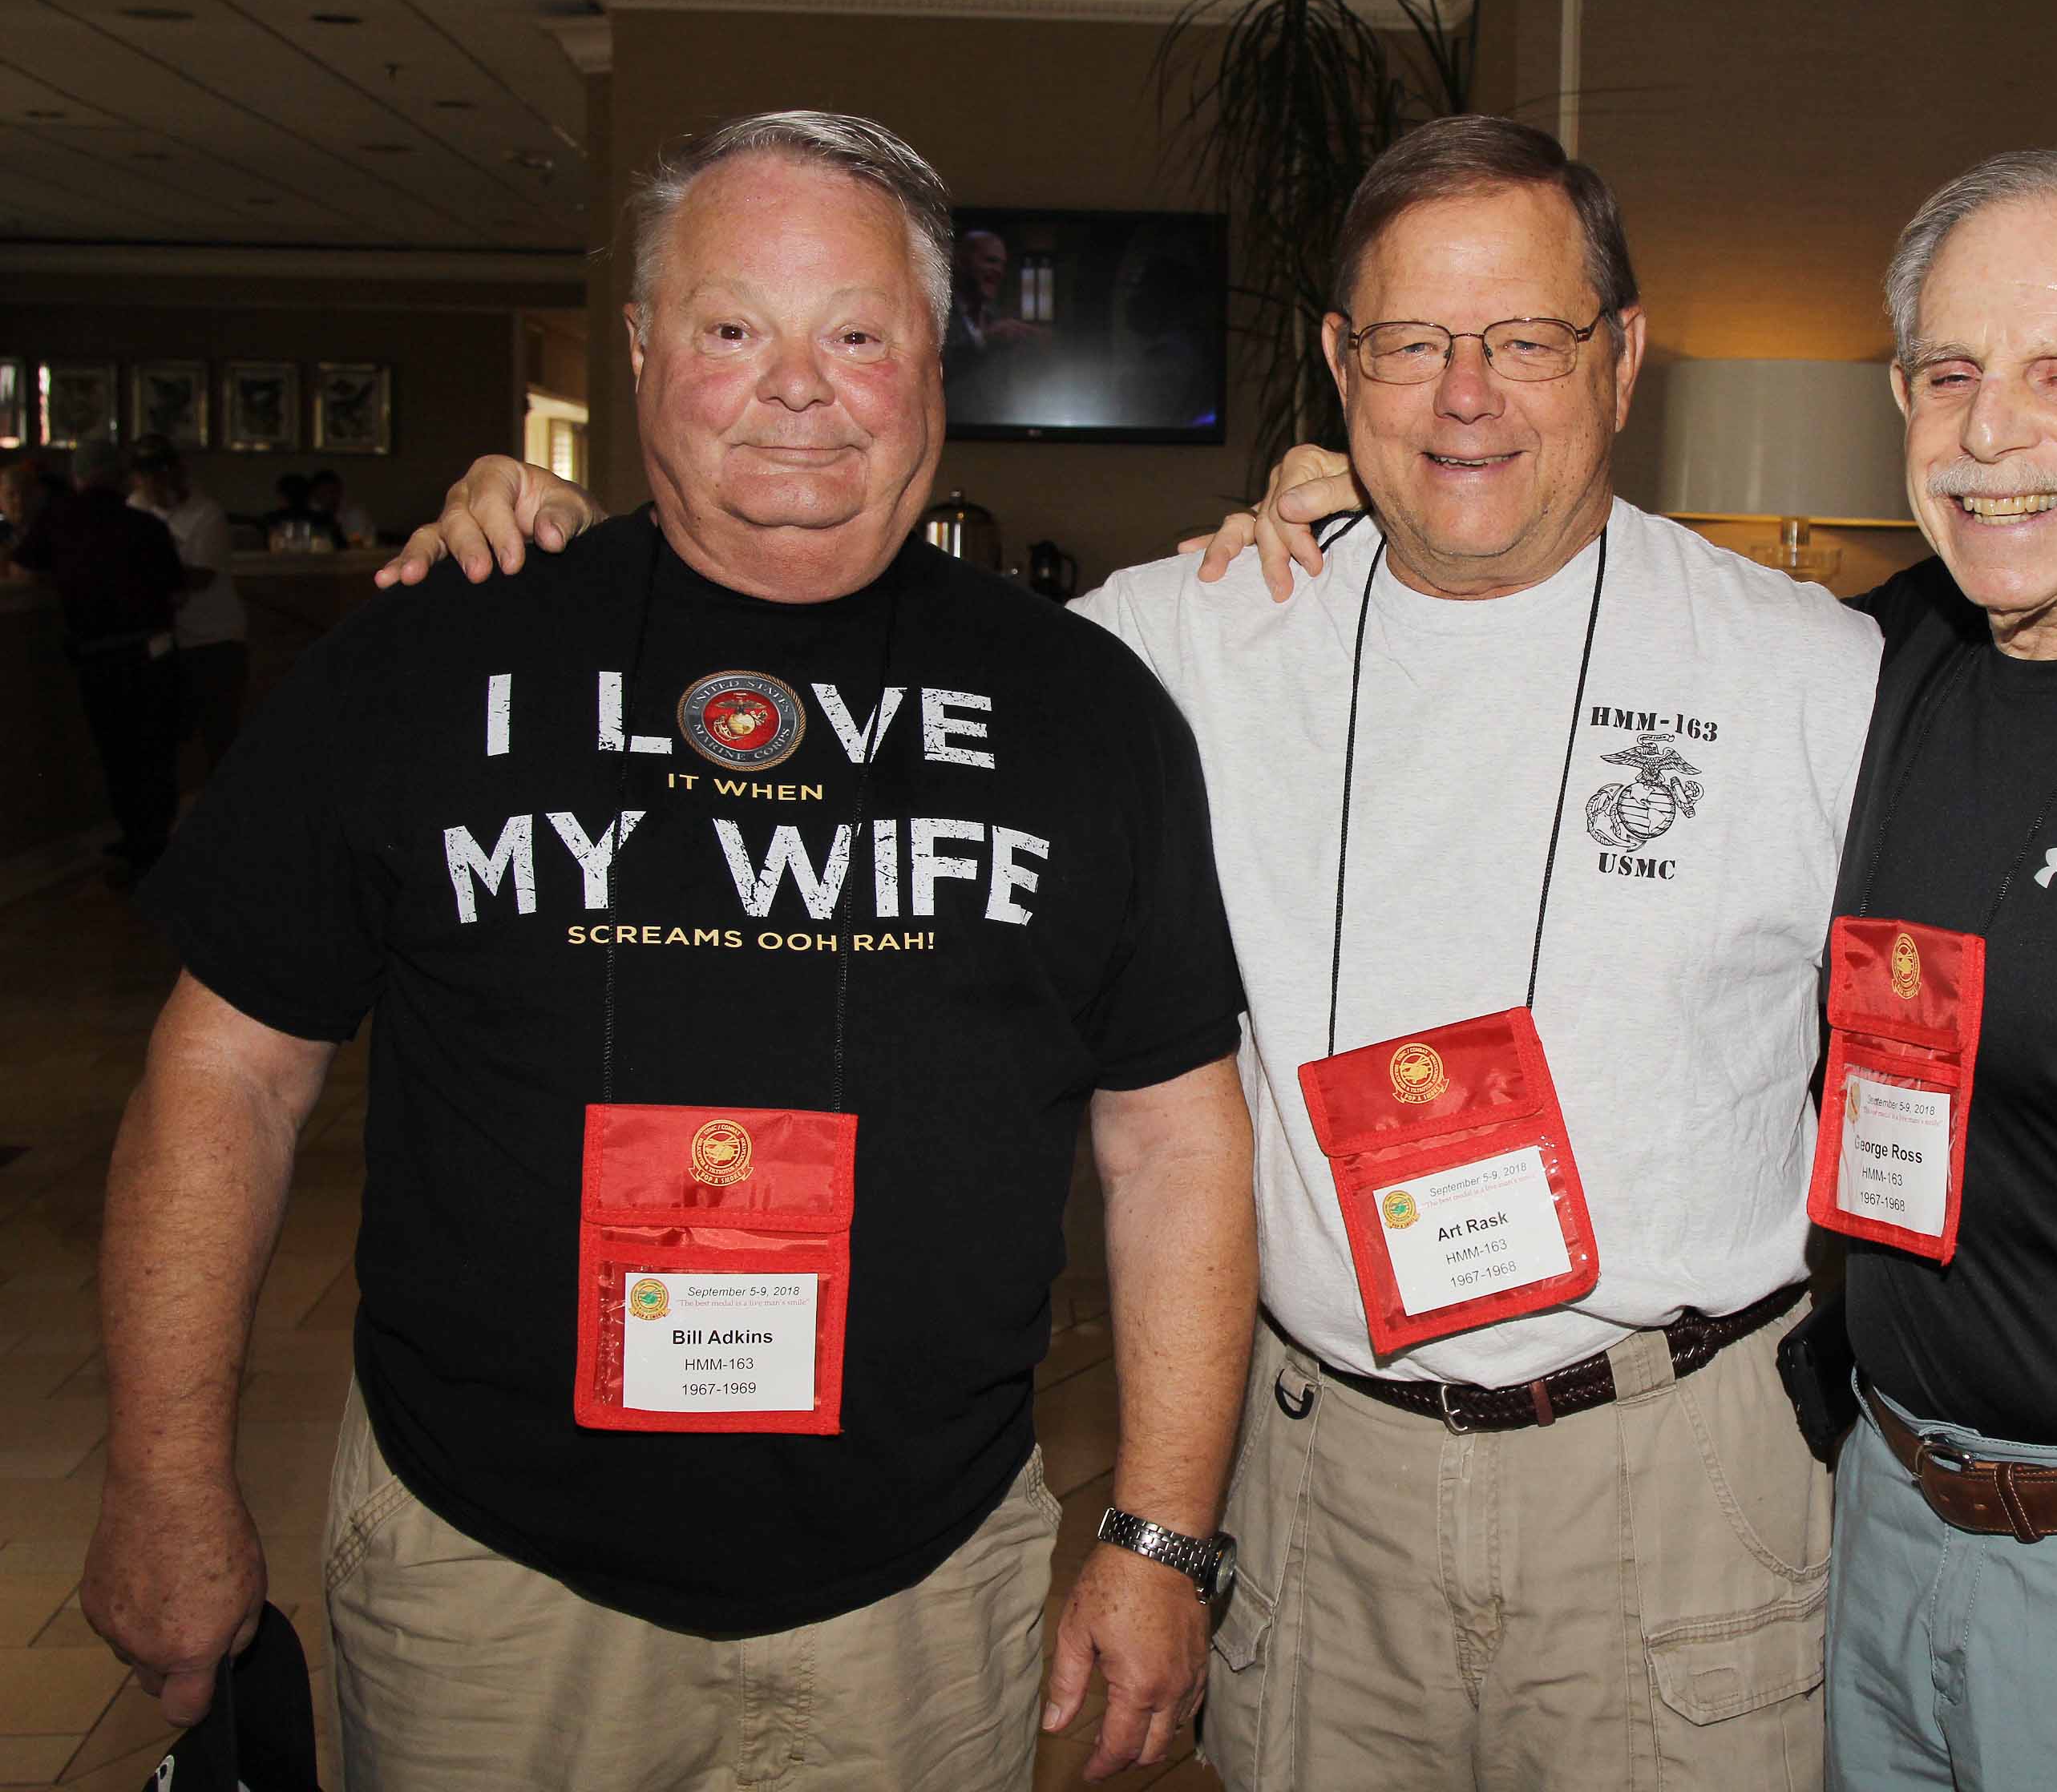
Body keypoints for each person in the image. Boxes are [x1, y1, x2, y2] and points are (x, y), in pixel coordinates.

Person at [390, 112, 1881, 1789]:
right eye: (1411, 343)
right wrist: (559, 543)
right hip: (1322, 1480)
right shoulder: (1178, 639)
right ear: (1340, 364)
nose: (1466, 395)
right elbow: (818, 624)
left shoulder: (1818, 675)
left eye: (1528, 339)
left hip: (1677, 1477)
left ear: (1623, 356)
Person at [1198, 151, 2057, 1791]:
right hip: (1886, 1531)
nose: (1989, 432)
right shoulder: (1883, 662)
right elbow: (1572, 632)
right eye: (1949, 373)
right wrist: (1363, 499)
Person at [79, 110, 1255, 1792]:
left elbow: (1175, 1141)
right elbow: (228, 1078)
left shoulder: (1086, 710)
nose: (799, 388)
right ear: (641, 347)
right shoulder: (434, 654)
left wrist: (1161, 1535)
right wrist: (164, 1479)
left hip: (923, 1594)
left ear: (937, 361)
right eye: (732, 329)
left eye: (858, 334)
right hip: (493, 1582)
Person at [15, 437, 183, 883]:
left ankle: (139, 840)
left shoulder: (58, 518)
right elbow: (175, 589)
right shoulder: (145, 526)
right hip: (150, 654)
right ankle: (151, 843)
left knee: (118, 754)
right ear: (122, 478)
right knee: (154, 752)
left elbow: (24, 568)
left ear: (78, 477)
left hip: (98, 656)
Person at [128, 434, 250, 771]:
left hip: (215, 641)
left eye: (163, 469)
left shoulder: (206, 514)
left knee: (220, 735)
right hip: (165, 643)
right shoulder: (135, 508)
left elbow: (200, 577)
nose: (156, 479)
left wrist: (147, 572)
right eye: (147, 472)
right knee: (167, 740)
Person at [307, 469, 376, 548]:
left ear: (339, 492)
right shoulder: (314, 514)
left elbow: (356, 546)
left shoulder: (354, 514)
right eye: (322, 493)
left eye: (330, 492)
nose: (327, 497)